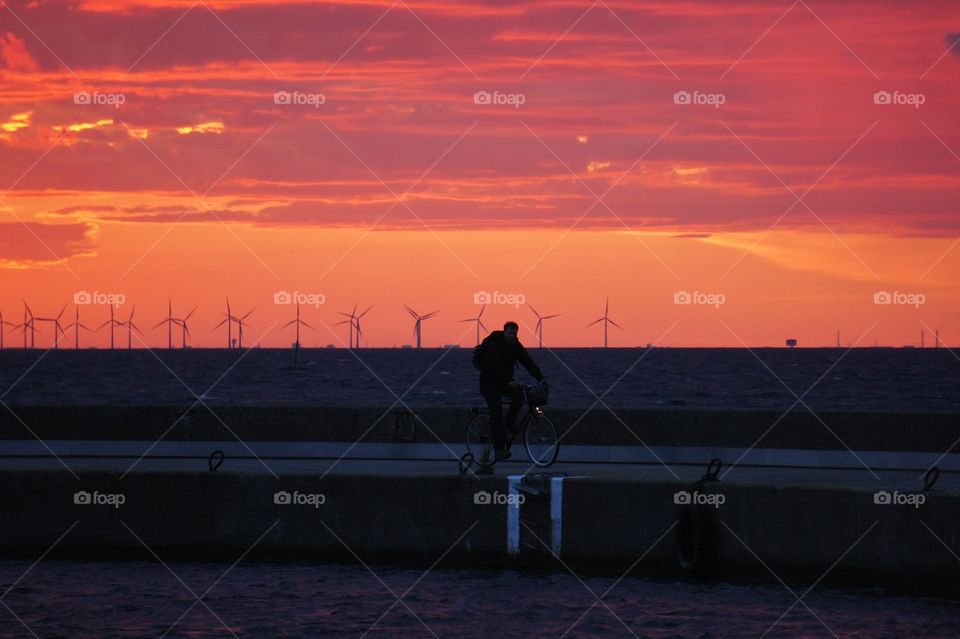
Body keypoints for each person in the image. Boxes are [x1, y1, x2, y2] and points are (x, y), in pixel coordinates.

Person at [476, 321, 547, 461]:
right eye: (510, 333)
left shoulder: (516, 346)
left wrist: (541, 378)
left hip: (504, 382)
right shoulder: (494, 344)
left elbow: (528, 362)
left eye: (514, 334)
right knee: (496, 412)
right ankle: (499, 450)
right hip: (489, 383)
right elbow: (496, 366)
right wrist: (509, 380)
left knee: (520, 397)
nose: (512, 336)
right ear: (504, 332)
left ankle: (509, 422)